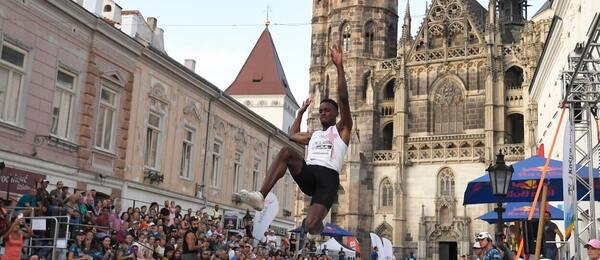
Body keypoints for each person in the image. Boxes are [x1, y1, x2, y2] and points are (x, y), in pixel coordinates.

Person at [239, 43, 352, 246]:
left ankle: (318, 227)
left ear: (335, 114)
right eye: (321, 110)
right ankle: (260, 196)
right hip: (310, 174)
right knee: (286, 152)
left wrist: (339, 67)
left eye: (327, 110)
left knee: (309, 225)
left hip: (328, 179)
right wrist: (300, 113)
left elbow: (343, 99)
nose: (323, 112)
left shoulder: (342, 130)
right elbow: (292, 135)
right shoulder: (314, 135)